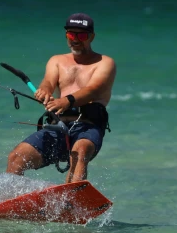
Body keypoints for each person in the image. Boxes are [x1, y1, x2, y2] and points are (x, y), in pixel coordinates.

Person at [6, 13, 117, 183]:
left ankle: (71, 204)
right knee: (16, 157)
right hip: (57, 126)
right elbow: (48, 82)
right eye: (71, 34)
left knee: (79, 152)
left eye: (82, 35)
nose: (75, 39)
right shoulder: (57, 60)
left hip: (88, 125)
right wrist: (44, 91)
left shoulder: (105, 62)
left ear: (92, 37)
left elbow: (94, 89)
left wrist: (67, 101)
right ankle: (7, 204)